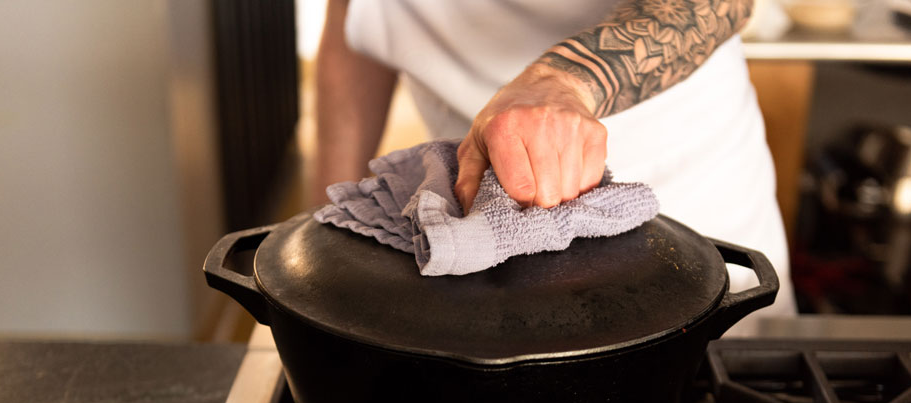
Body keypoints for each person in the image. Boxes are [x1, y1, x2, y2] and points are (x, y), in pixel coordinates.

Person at [313, 0, 796, 332]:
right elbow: (355, 20)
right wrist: (329, 230)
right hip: (471, 221)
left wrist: (564, 80)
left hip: (691, 197)